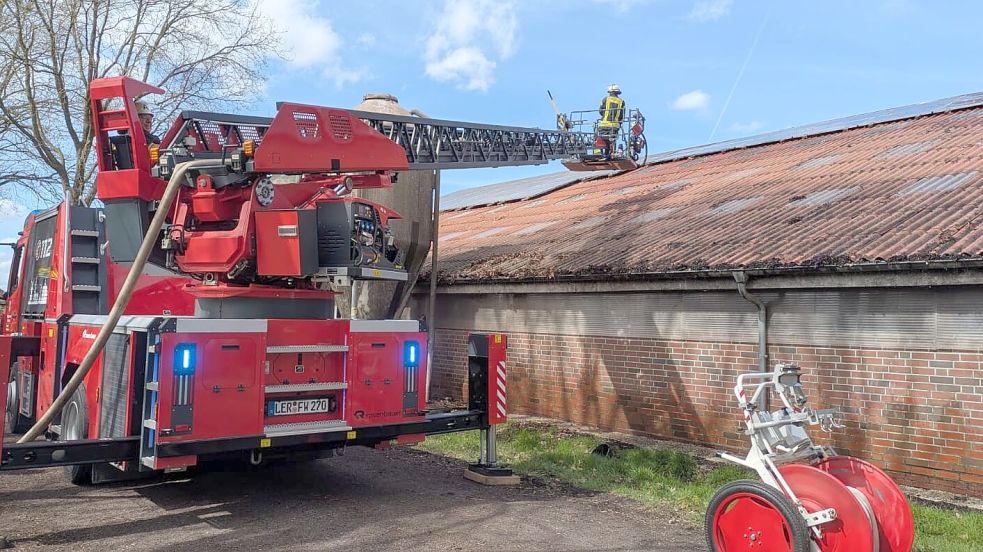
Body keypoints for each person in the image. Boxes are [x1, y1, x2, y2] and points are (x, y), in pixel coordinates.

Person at [597, 84, 625, 158]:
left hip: (604, 125)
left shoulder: (605, 99)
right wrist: (619, 123)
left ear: (610, 92)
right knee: (611, 140)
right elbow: (621, 116)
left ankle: (599, 154)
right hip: (615, 126)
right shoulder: (621, 102)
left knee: (599, 137)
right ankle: (611, 153)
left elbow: (600, 111)